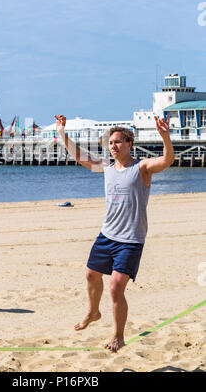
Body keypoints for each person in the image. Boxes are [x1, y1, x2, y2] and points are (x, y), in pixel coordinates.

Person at [55, 114, 174, 352]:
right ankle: (93, 311)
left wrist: (165, 138)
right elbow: (78, 155)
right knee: (91, 275)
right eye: (110, 143)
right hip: (107, 235)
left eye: (118, 141)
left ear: (129, 143)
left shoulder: (142, 168)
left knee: (116, 286)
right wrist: (61, 134)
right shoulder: (106, 168)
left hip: (131, 240)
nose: (113, 146)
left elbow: (167, 160)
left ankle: (118, 335)